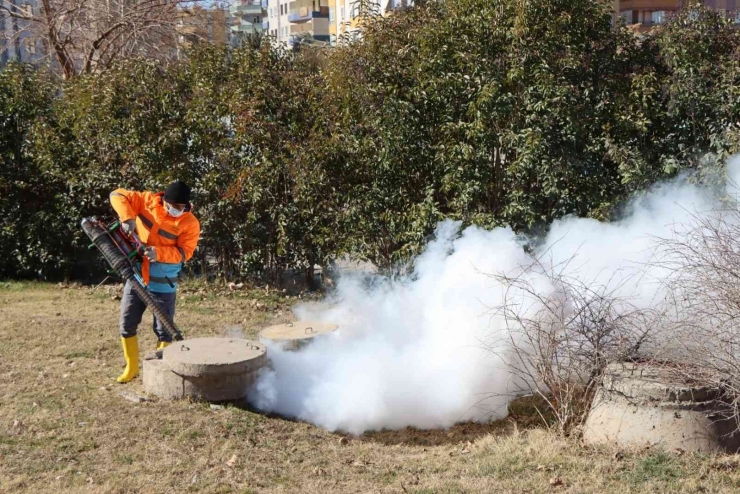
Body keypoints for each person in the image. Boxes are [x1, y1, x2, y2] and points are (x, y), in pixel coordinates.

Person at [109, 181, 200, 383]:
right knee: (127, 322)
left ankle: (164, 371)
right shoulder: (146, 201)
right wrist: (127, 217)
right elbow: (117, 194)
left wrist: (158, 253)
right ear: (163, 201)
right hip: (136, 277)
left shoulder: (190, 223)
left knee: (164, 330)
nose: (177, 210)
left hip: (163, 282)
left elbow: (186, 252)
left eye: (181, 207)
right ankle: (131, 368)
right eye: (174, 206)